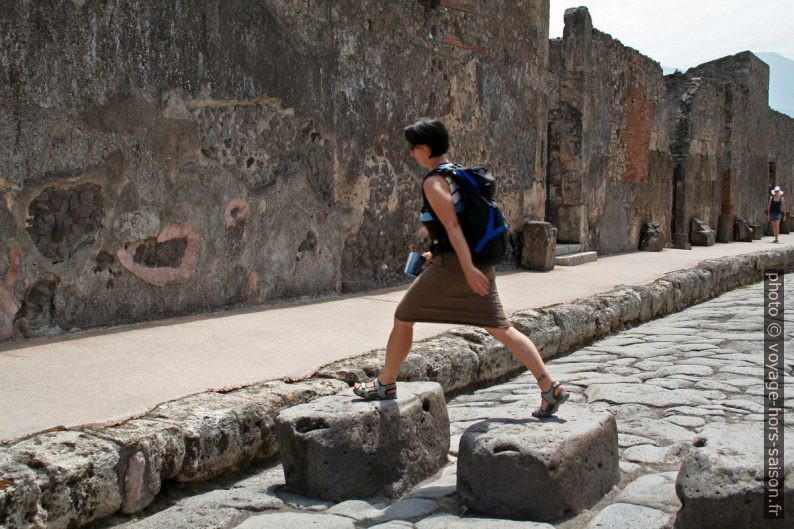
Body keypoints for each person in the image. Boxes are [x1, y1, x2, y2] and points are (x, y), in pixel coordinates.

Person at [353, 118, 569, 418]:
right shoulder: (455, 174)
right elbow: (458, 226)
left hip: (458, 266)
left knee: (403, 315)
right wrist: (438, 252)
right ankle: (550, 387)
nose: (410, 153)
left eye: (413, 147)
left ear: (426, 148)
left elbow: (453, 225)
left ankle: (385, 384)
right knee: (502, 328)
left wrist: (465, 267)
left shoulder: (433, 181)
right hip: (471, 261)